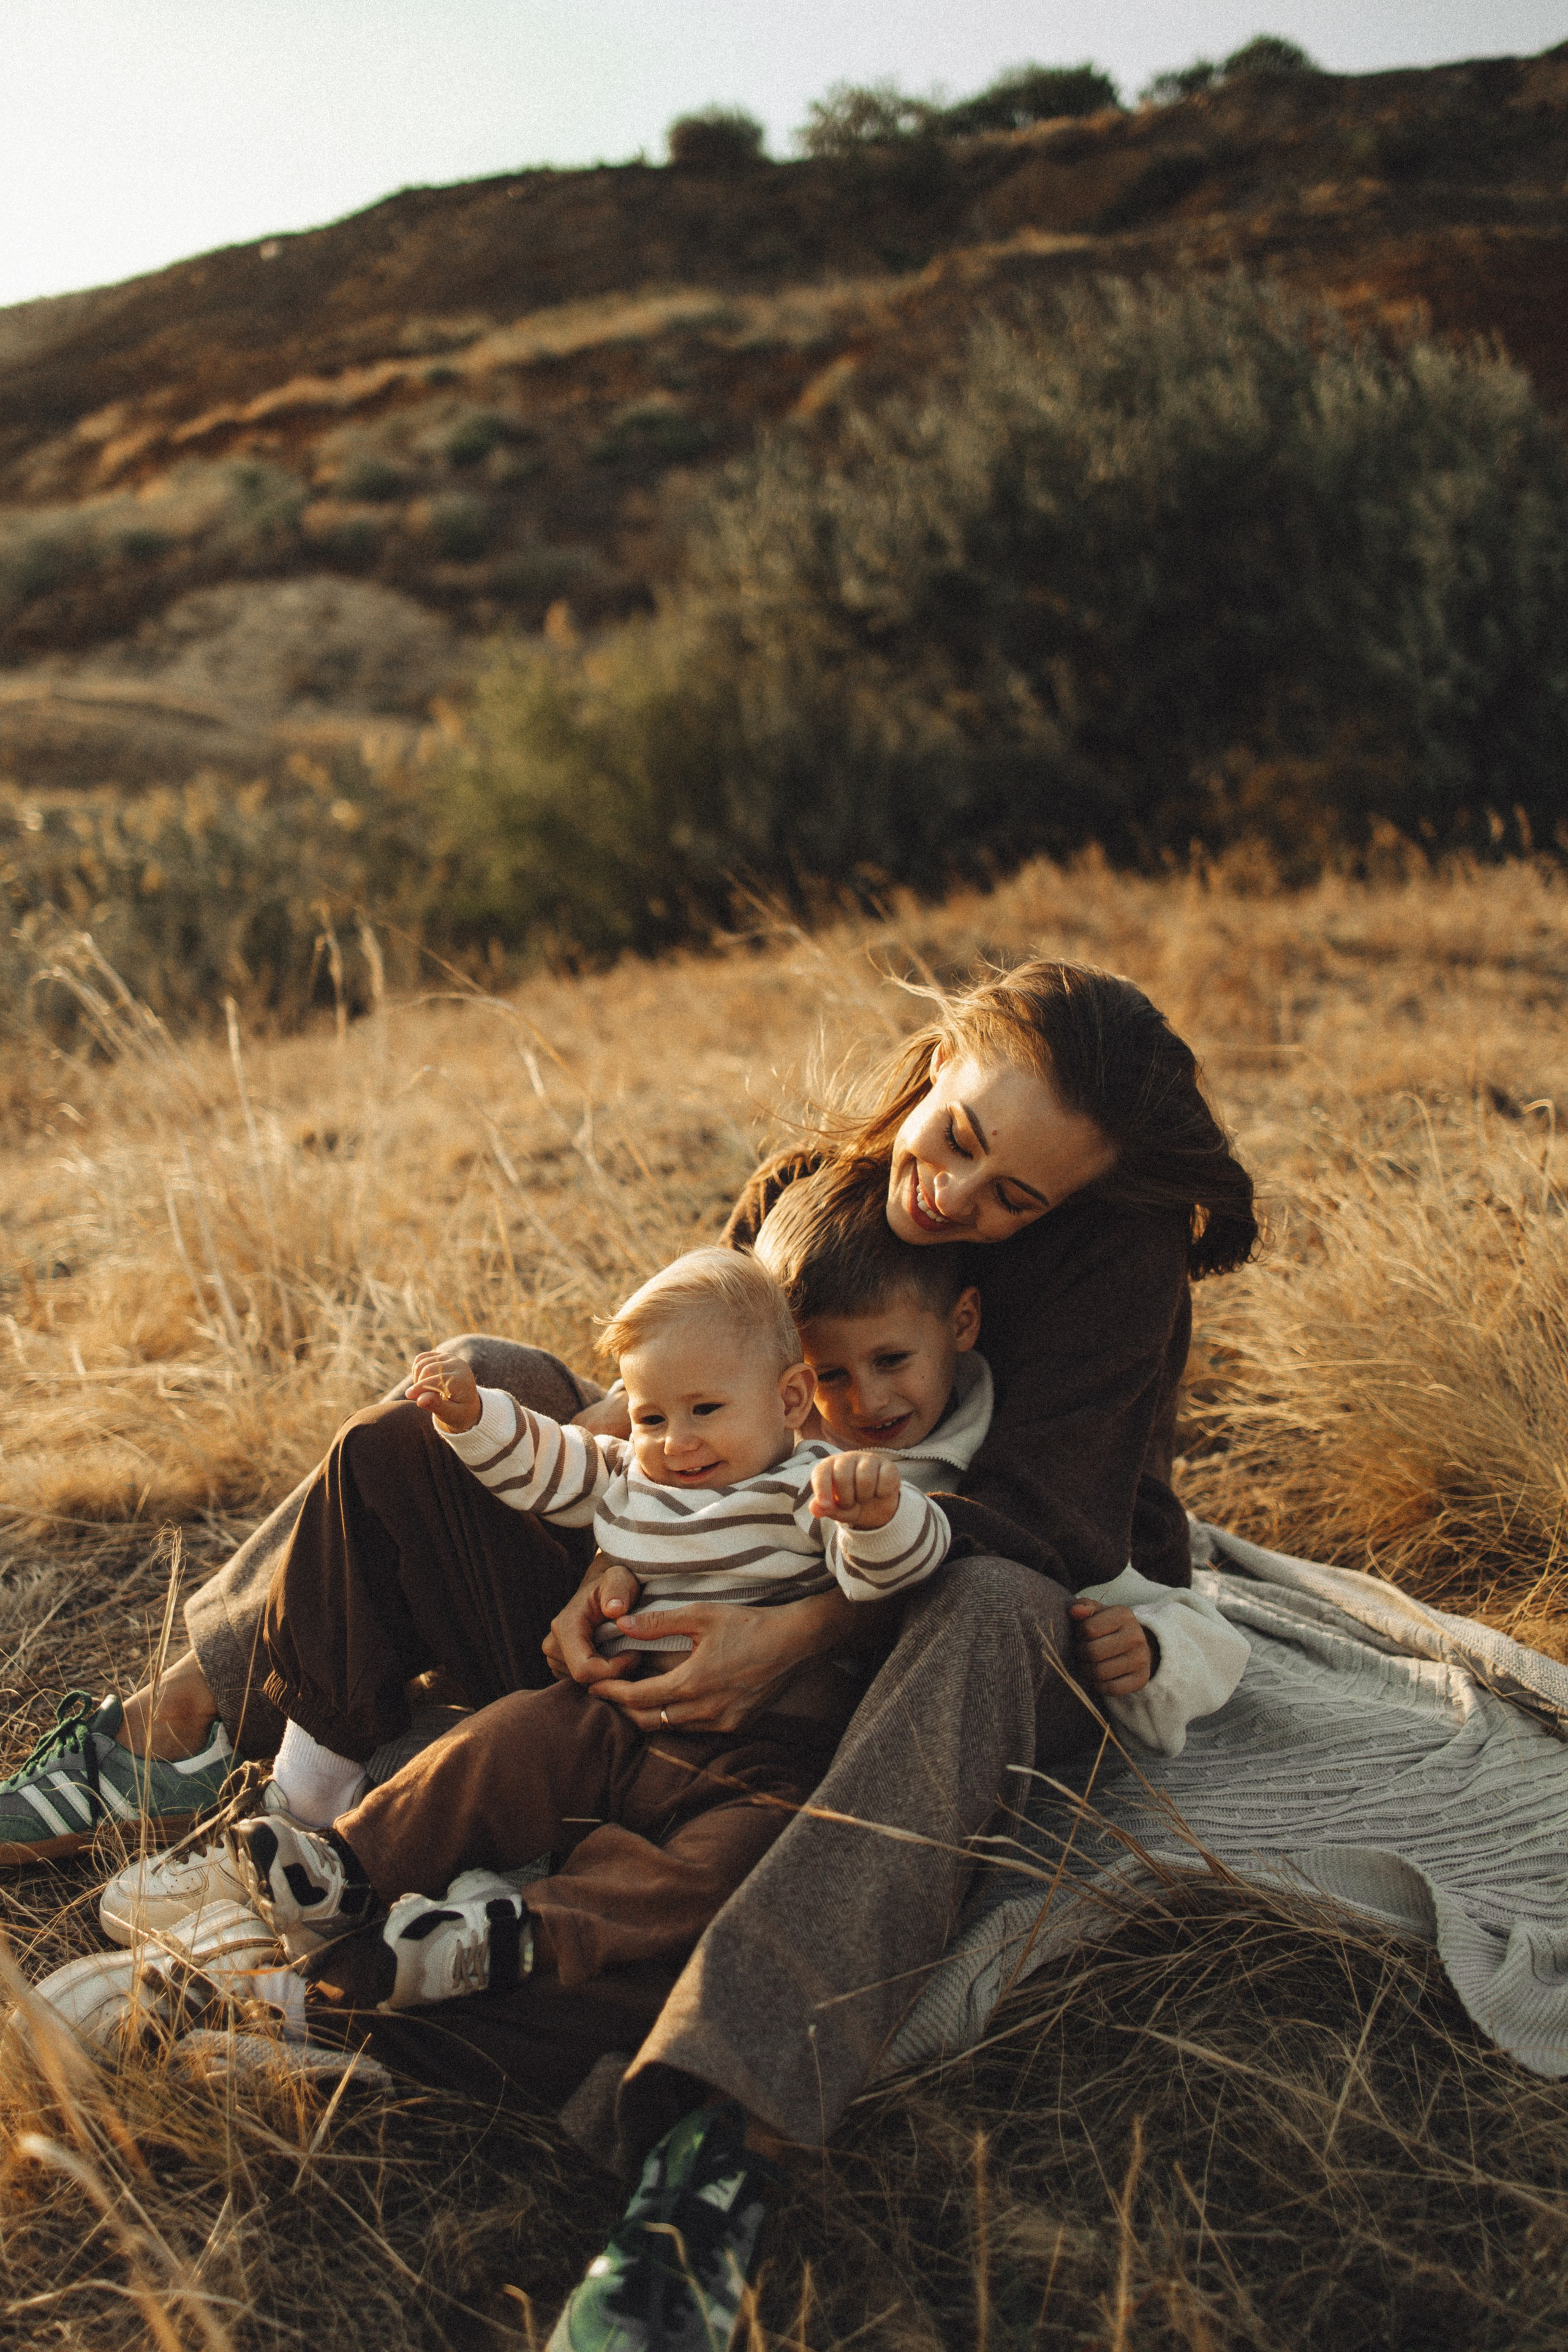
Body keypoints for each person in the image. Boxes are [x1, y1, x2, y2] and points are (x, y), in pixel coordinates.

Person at [4, 958, 1259, 2352]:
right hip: (705, 1594)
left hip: (905, 1657)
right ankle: (197, 1738)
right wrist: (619, 1546)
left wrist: (783, 1632)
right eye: (957, 1136)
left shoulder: (1107, 1263)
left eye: (1011, 1194)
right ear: (935, 1058)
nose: (955, 1197)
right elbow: (666, 1402)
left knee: (994, 1606)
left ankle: (713, 2156)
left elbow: (1035, 1525)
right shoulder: (812, 1186)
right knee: (479, 1377)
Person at [217, 1246, 954, 2010]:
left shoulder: (808, 1486)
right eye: (651, 1416)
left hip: (757, 1751)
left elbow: (891, 1572)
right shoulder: (634, 1477)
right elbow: (549, 1462)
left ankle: (512, 1931)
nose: (677, 1441)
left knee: (724, 1863)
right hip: (607, 1712)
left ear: (791, 1399)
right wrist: (476, 1418)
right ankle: (346, 1868)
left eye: (706, 1410)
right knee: (499, 1744)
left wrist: (881, 1515)